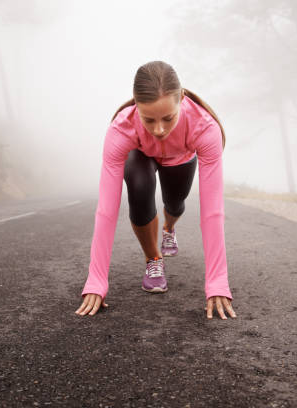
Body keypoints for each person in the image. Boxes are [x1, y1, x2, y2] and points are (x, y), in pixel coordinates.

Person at [75, 61, 236, 320]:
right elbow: (106, 210)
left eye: (168, 118)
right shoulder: (121, 128)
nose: (159, 130)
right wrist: (96, 281)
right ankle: (153, 259)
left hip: (181, 159)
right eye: (148, 119)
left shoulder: (205, 127)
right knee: (138, 185)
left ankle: (169, 228)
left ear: (181, 99)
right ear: (136, 106)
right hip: (142, 156)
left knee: (175, 204)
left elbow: (212, 211)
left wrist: (217, 283)